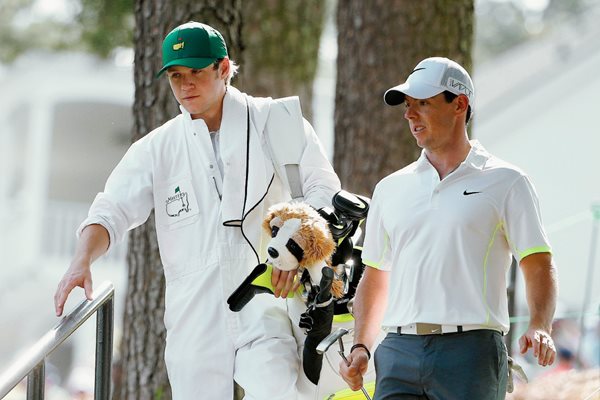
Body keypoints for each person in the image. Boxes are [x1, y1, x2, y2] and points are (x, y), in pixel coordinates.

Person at [53, 21, 340, 399]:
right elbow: (110, 210)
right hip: (194, 313)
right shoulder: (157, 148)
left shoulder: (277, 120)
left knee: (277, 391)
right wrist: (81, 261)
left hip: (267, 296)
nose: (185, 85)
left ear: (224, 69)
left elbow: (324, 191)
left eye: (196, 73)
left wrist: (297, 251)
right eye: (176, 75)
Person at [338, 57, 558, 400]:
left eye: (423, 103)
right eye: (408, 106)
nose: (410, 115)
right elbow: (376, 274)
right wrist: (362, 346)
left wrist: (540, 325)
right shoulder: (390, 188)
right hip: (397, 352)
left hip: (470, 353)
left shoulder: (507, 181)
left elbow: (537, 260)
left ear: (460, 104)